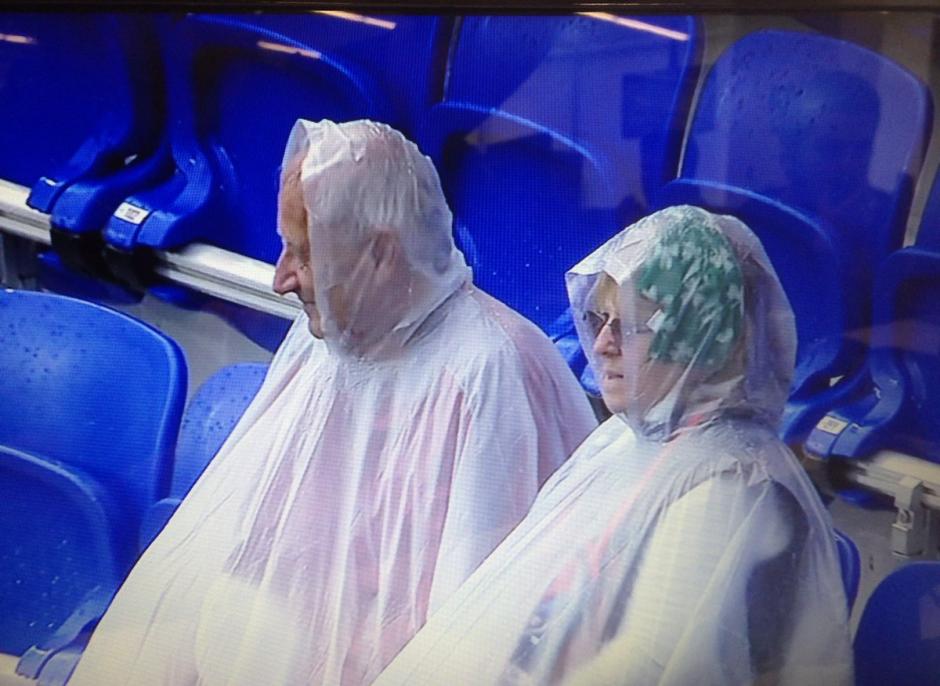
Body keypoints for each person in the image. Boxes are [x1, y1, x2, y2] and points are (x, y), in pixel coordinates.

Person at [67, 119, 596, 685]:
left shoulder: (491, 373)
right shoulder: (328, 338)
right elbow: (254, 540)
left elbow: (474, 636)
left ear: (381, 255)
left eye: (304, 253)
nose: (280, 280)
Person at [375, 205, 853, 686]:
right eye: (600, 319)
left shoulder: (732, 486)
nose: (602, 344)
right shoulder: (625, 441)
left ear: (701, 336)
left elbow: (644, 667)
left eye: (629, 324)